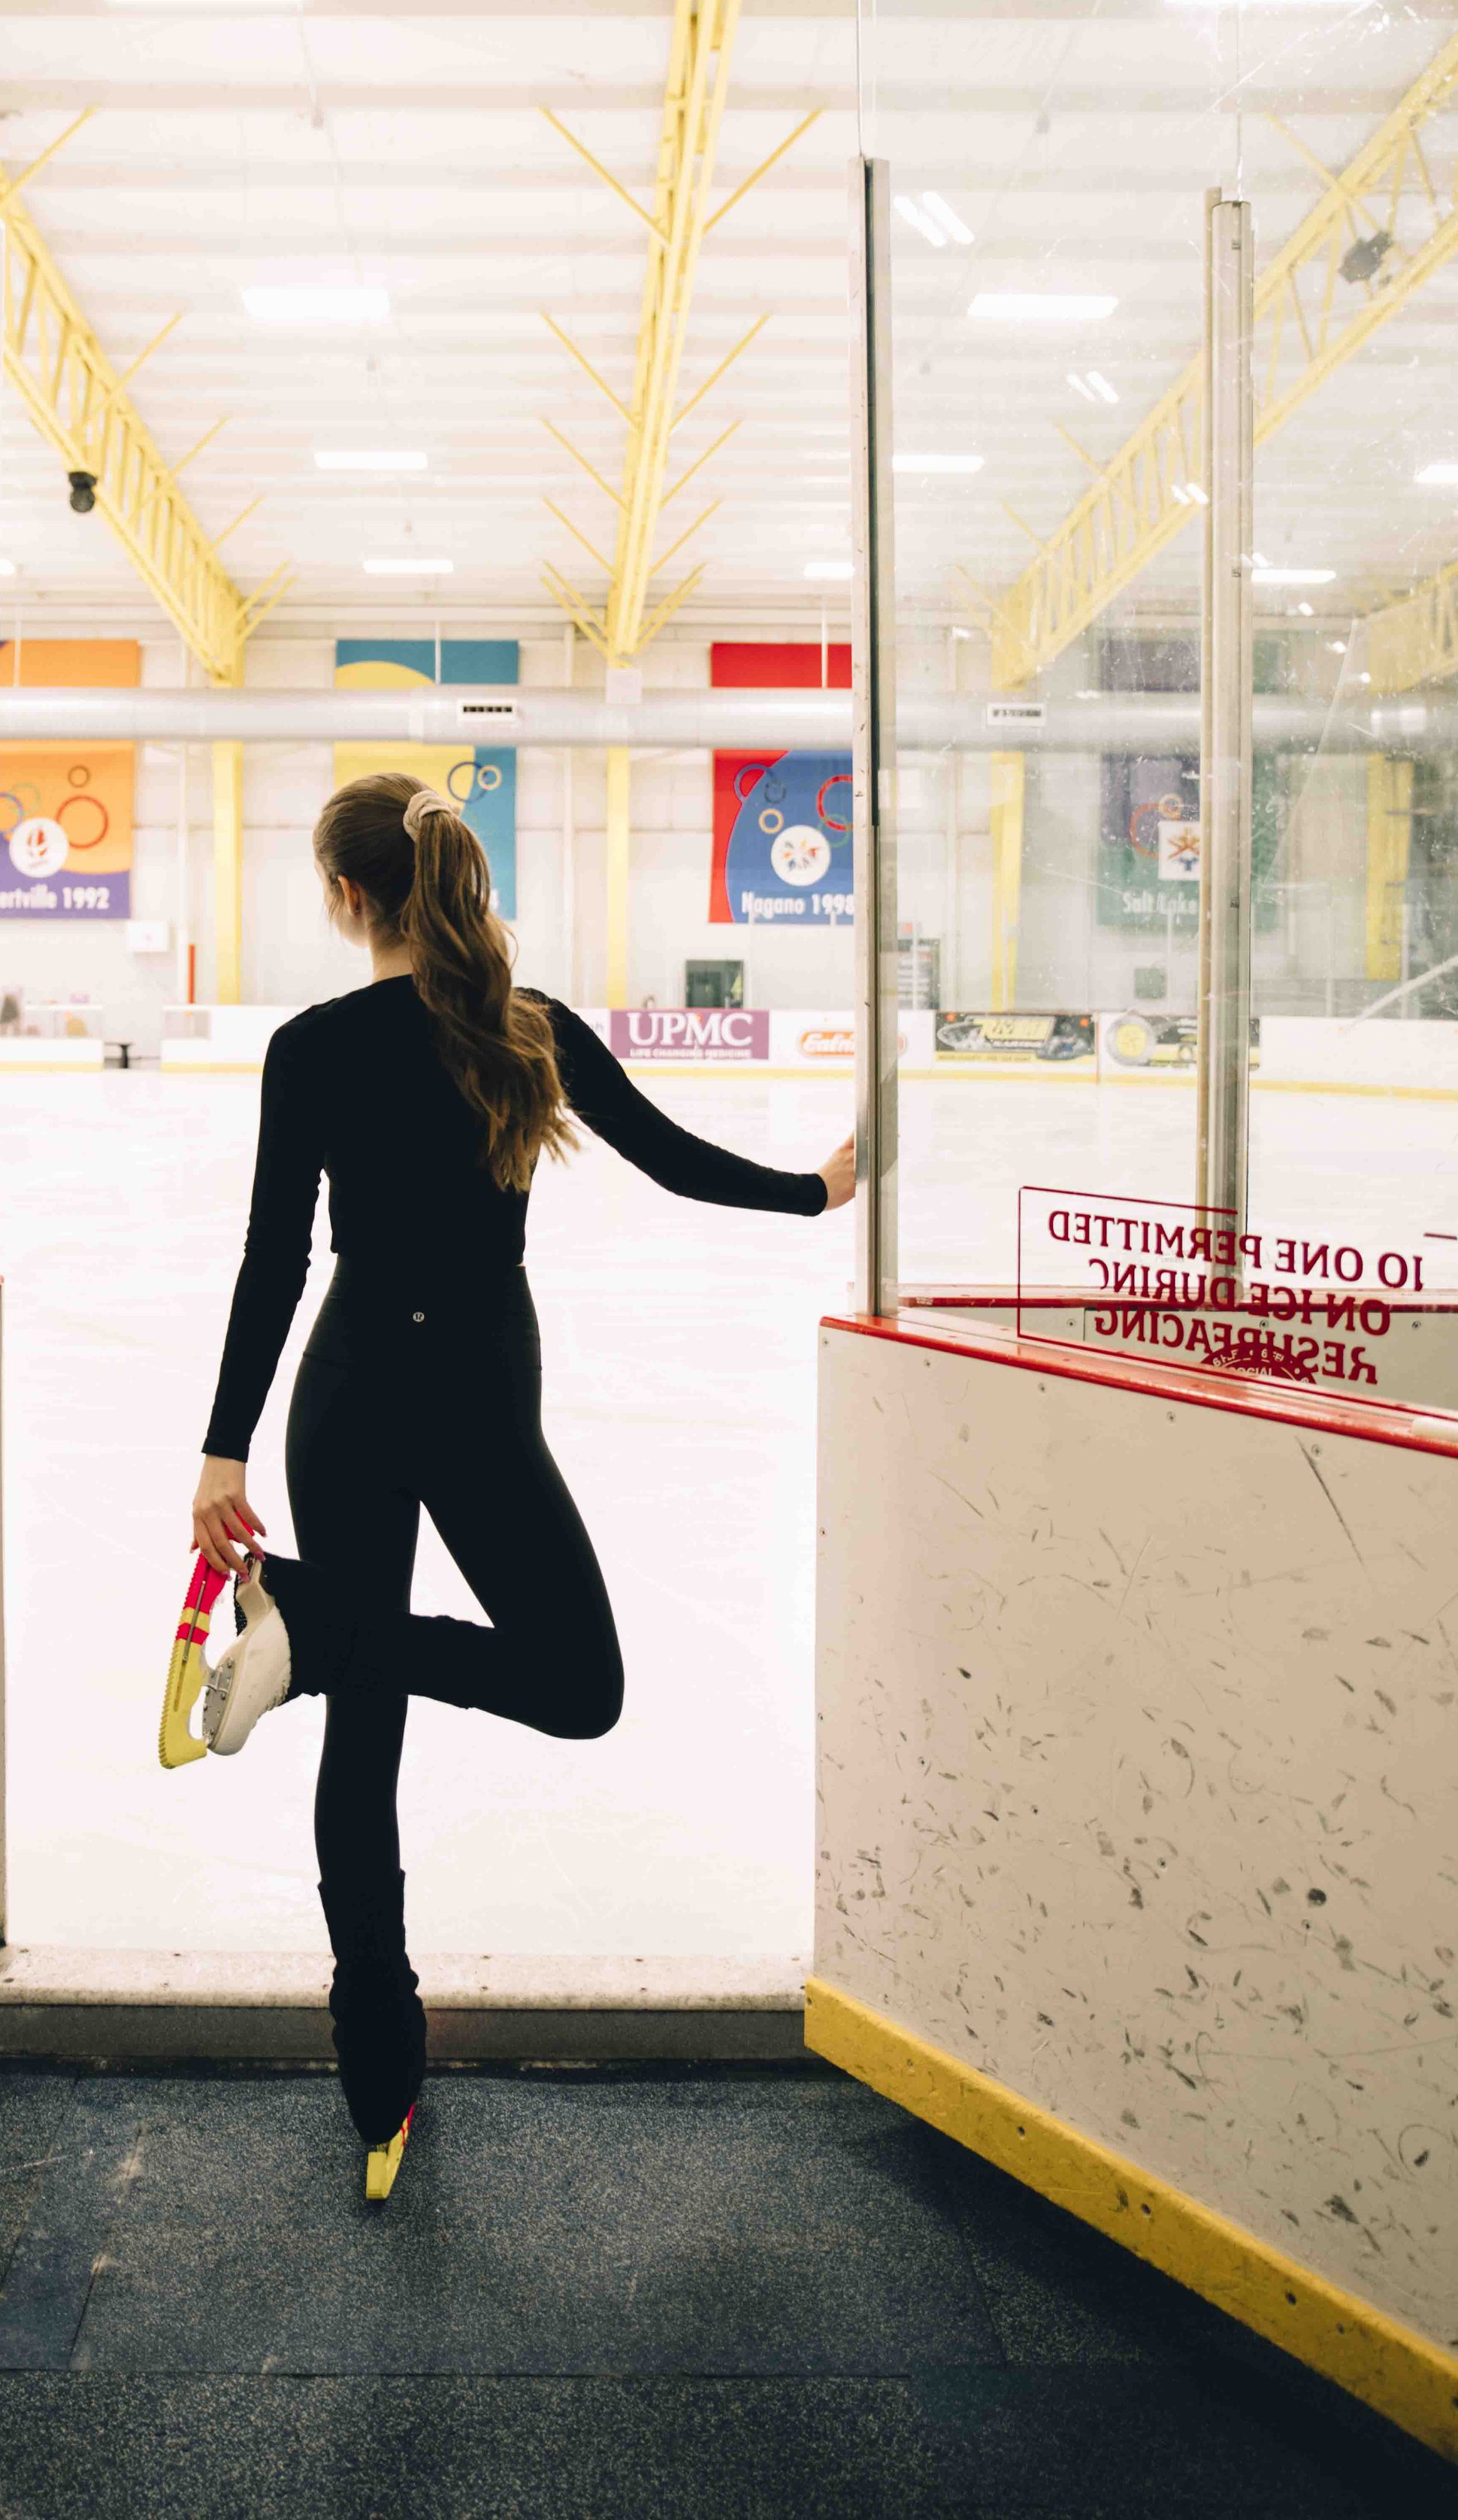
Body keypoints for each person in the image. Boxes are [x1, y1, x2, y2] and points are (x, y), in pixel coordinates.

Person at [189, 772, 856, 2195]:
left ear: (345, 894)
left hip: (355, 1389)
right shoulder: (524, 1025)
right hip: (478, 1392)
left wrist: (225, 1443)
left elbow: (272, 1261)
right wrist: (817, 1188)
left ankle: (315, 1649)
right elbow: (671, 1161)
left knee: (363, 1731)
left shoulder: (313, 1046)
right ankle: (382, 2067)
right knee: (576, 1682)